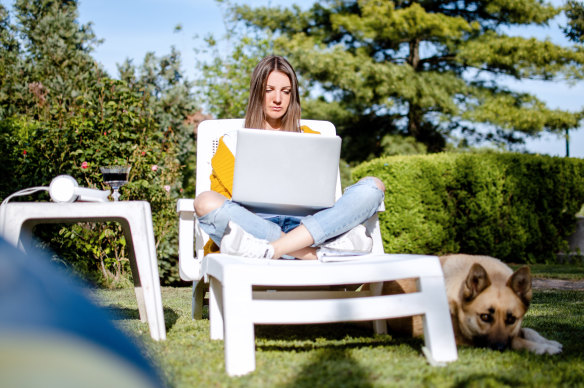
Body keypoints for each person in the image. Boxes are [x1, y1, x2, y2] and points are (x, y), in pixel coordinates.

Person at [194, 55, 385, 260]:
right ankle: (310, 255)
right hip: (255, 227)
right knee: (205, 201)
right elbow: (227, 204)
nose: (278, 99)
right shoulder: (231, 142)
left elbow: (326, 197)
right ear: (256, 92)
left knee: (373, 186)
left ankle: (274, 250)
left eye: (286, 92)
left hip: (308, 226)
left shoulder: (313, 139)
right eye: (269, 90)